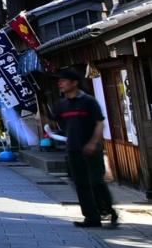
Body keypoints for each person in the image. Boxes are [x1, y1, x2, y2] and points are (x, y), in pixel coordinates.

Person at [50, 68, 116, 228]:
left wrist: (93, 142)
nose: (60, 83)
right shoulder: (62, 104)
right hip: (73, 149)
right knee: (80, 184)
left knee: (95, 182)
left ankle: (108, 210)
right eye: (60, 81)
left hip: (91, 149)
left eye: (63, 80)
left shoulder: (88, 101)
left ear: (74, 83)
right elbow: (55, 122)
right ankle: (91, 218)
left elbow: (100, 123)